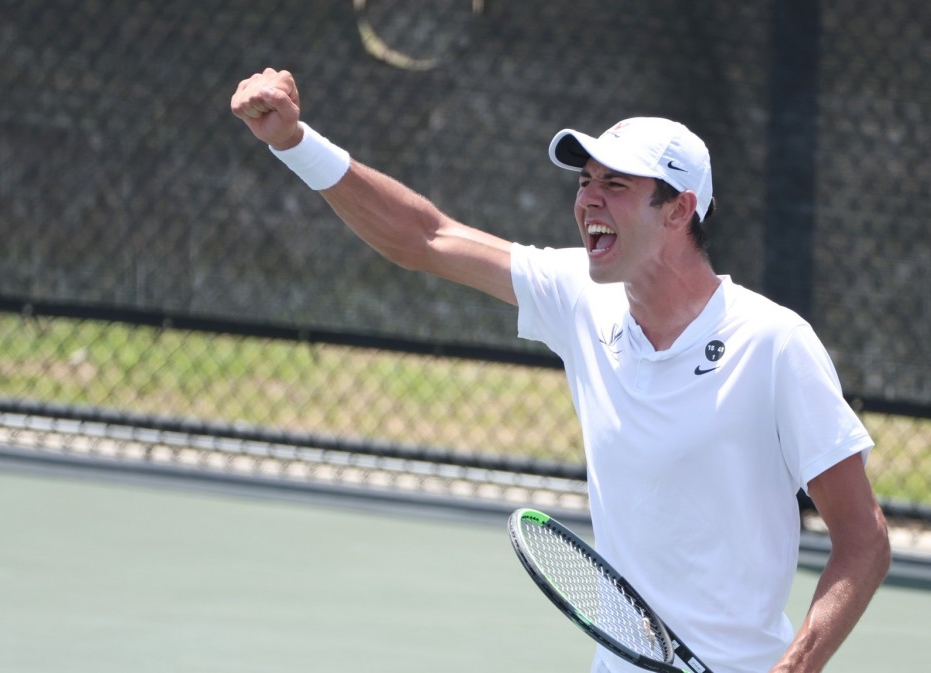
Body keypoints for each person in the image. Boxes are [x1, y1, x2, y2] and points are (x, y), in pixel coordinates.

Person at [231, 68, 890, 673]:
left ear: (680, 209)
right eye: (585, 181)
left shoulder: (774, 344)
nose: (589, 201)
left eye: (616, 184)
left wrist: (794, 666)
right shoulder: (579, 294)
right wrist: (294, 142)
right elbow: (424, 237)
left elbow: (864, 540)